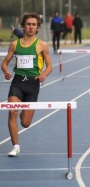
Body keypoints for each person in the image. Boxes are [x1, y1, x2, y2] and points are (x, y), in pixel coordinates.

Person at [1, 12, 53, 157]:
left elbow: (49, 66)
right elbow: (4, 63)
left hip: (32, 85)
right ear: (23, 26)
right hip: (17, 82)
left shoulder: (42, 45)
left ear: (37, 28)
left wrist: (43, 75)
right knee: (12, 112)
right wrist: (5, 71)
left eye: (33, 25)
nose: (30, 27)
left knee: (25, 123)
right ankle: (15, 146)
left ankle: (24, 109)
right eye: (28, 24)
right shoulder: (14, 44)